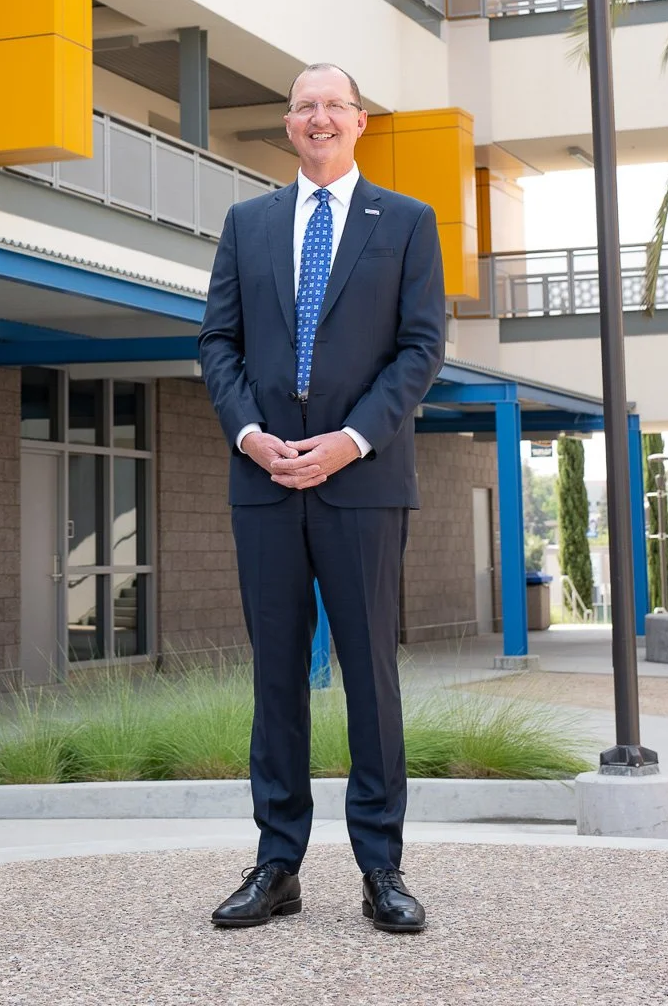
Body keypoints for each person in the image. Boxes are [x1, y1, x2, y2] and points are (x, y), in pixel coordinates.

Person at [199, 63, 445, 935]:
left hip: (363, 482)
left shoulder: (407, 222)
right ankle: (277, 865)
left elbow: (421, 348)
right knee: (276, 676)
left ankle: (382, 869)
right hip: (265, 481)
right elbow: (218, 343)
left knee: (370, 675)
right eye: (305, 106)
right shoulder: (248, 223)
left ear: (360, 120)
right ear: (288, 123)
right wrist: (247, 434)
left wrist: (349, 440)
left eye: (334, 105)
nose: (319, 118)